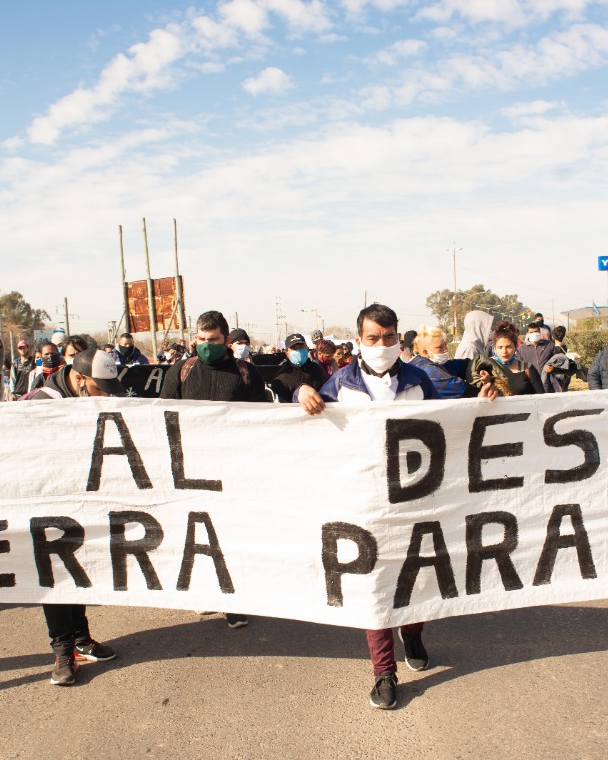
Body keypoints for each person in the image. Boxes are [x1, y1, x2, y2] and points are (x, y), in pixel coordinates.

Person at [296, 303, 497, 710]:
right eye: (373, 338)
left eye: (389, 338)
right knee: (375, 582)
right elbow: (302, 421)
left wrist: (485, 399)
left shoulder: (419, 378)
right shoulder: (341, 383)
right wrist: (300, 392)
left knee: (416, 572)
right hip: (365, 501)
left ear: (398, 338)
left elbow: (455, 413)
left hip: (415, 496)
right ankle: (383, 672)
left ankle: (415, 631)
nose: (381, 345)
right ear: (359, 341)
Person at [161, 311, 270, 628]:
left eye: (214, 340)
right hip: (191, 470)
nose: (207, 345)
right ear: (195, 339)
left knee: (230, 535)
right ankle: (204, 593)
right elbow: (164, 415)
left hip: (233, 469)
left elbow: (263, 419)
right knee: (196, 534)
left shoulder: (245, 373)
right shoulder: (181, 371)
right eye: (202, 340)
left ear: (226, 341)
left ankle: (232, 600)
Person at [26, 348, 122, 683]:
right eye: (99, 389)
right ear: (79, 379)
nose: (104, 397)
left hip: (81, 501)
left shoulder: (84, 397)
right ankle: (62, 653)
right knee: (57, 577)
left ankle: (81, 638)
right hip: (48, 507)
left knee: (80, 571)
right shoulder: (41, 402)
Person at [472, 320, 545, 396]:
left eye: (508, 347)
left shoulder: (527, 368)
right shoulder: (487, 370)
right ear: (495, 348)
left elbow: (542, 398)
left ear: (516, 347)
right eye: (500, 347)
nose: (504, 351)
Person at [409, 326, 468, 399]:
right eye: (440, 347)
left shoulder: (438, 364)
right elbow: (462, 389)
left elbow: (461, 365)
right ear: (425, 352)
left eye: (445, 345)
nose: (445, 350)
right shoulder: (427, 369)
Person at [271, 333, 328, 402]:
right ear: (287, 353)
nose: (299, 351)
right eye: (294, 348)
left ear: (307, 348)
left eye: (301, 347)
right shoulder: (282, 378)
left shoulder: (317, 369)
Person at [516, 321, 561, 393]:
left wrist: (553, 367)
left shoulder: (549, 345)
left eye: (536, 331)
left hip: (548, 383)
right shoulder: (521, 349)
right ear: (527, 334)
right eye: (531, 332)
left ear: (539, 333)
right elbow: (518, 367)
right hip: (531, 385)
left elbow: (557, 360)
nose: (534, 334)